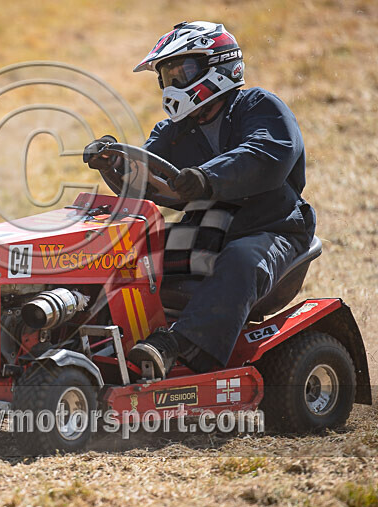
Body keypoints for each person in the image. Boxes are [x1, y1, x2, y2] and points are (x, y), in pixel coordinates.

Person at [83, 21, 315, 376]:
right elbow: (145, 177)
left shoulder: (259, 106)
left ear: (219, 65)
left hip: (272, 229)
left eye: (182, 71)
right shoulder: (173, 131)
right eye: (166, 75)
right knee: (130, 253)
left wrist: (208, 177)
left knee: (239, 260)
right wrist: (112, 162)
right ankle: (93, 341)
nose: (172, 83)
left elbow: (266, 154)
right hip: (206, 229)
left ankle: (177, 346)